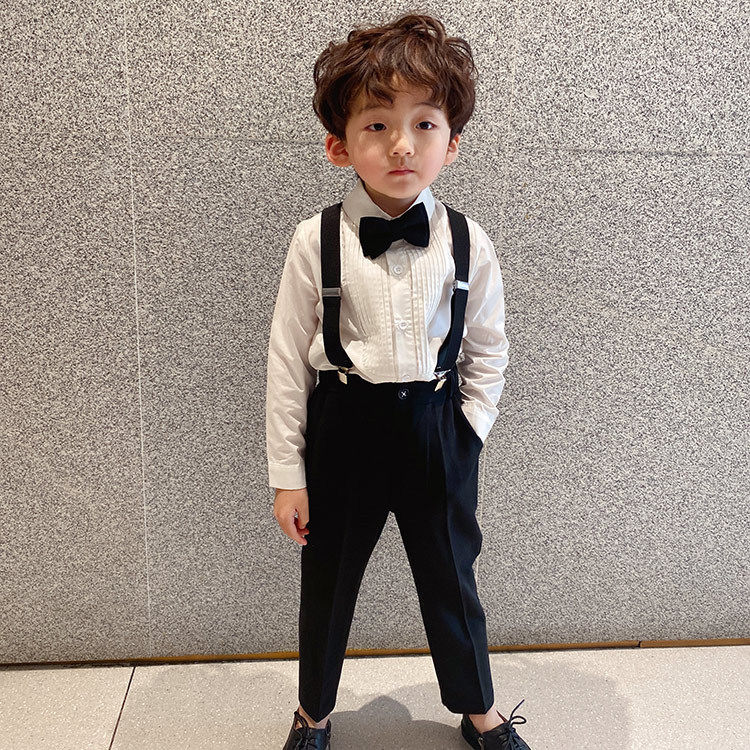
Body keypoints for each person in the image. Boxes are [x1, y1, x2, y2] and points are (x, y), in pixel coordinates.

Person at [266, 12, 532, 750]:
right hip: (343, 430)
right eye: (377, 125)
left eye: (424, 124)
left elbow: (489, 348)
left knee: (452, 579)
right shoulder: (314, 240)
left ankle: (479, 709)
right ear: (339, 145)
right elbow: (287, 361)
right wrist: (288, 474)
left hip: (436, 430)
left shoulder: (468, 241)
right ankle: (313, 713)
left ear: (453, 141)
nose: (402, 144)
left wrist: (468, 432)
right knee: (327, 583)